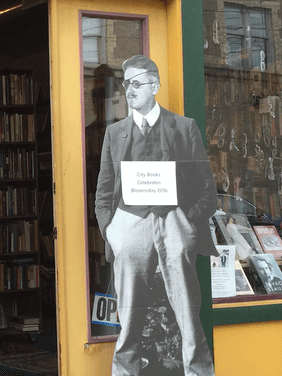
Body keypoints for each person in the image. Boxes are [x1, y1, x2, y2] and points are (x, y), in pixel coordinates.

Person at [94, 55, 217, 376]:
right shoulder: (115, 133)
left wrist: (187, 224)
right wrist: (112, 231)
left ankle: (199, 371)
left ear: (155, 86)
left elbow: (207, 189)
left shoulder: (184, 128)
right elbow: (104, 191)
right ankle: (125, 371)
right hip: (129, 223)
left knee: (188, 311)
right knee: (129, 311)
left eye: (136, 83)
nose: (129, 89)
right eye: (126, 83)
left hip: (173, 222)